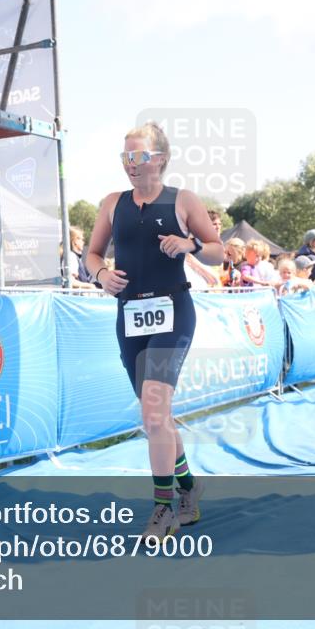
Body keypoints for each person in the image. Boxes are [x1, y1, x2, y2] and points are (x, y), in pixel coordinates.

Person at [85, 122, 223, 540]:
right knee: (157, 417)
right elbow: (91, 255)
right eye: (125, 156)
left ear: (160, 158)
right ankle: (188, 487)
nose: (131, 163)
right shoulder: (112, 203)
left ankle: (163, 510)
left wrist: (190, 246)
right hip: (130, 316)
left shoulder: (182, 200)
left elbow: (217, 251)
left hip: (173, 310)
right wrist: (100, 274)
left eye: (139, 155)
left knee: (154, 410)